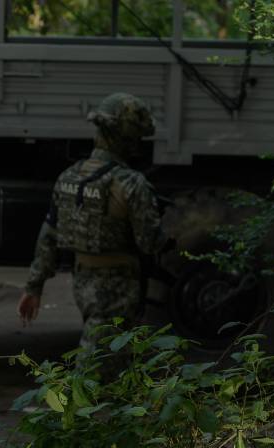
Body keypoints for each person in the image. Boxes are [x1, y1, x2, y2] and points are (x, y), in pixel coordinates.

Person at [17, 92, 166, 352]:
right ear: (128, 138)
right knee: (97, 366)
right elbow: (149, 244)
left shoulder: (69, 177)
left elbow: (48, 236)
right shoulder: (131, 184)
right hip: (118, 287)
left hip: (82, 282)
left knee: (114, 361)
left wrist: (34, 287)